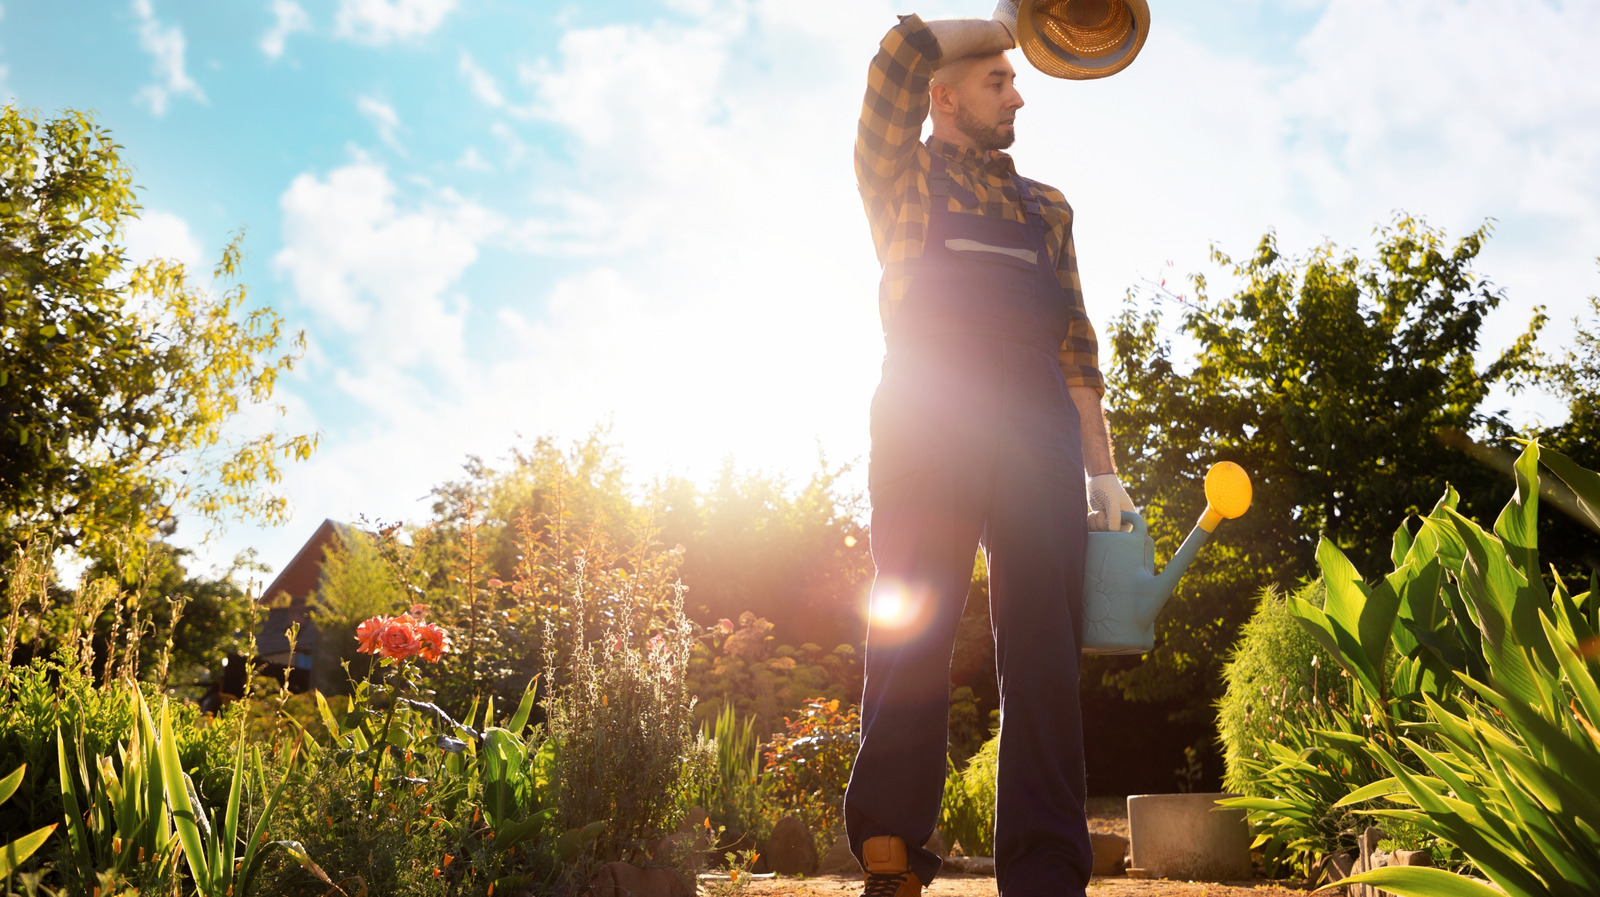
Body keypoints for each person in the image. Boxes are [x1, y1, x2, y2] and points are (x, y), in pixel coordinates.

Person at [844, 4, 1138, 896]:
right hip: (929, 408)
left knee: (1043, 646)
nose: (1019, 95)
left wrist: (1105, 471)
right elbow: (898, 56)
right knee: (913, 619)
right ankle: (892, 841)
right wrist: (1012, 18)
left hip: (1037, 418)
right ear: (946, 96)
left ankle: (1047, 870)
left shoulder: (1047, 207)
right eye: (998, 79)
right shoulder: (899, 177)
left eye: (1015, 77)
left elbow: (1076, 347)